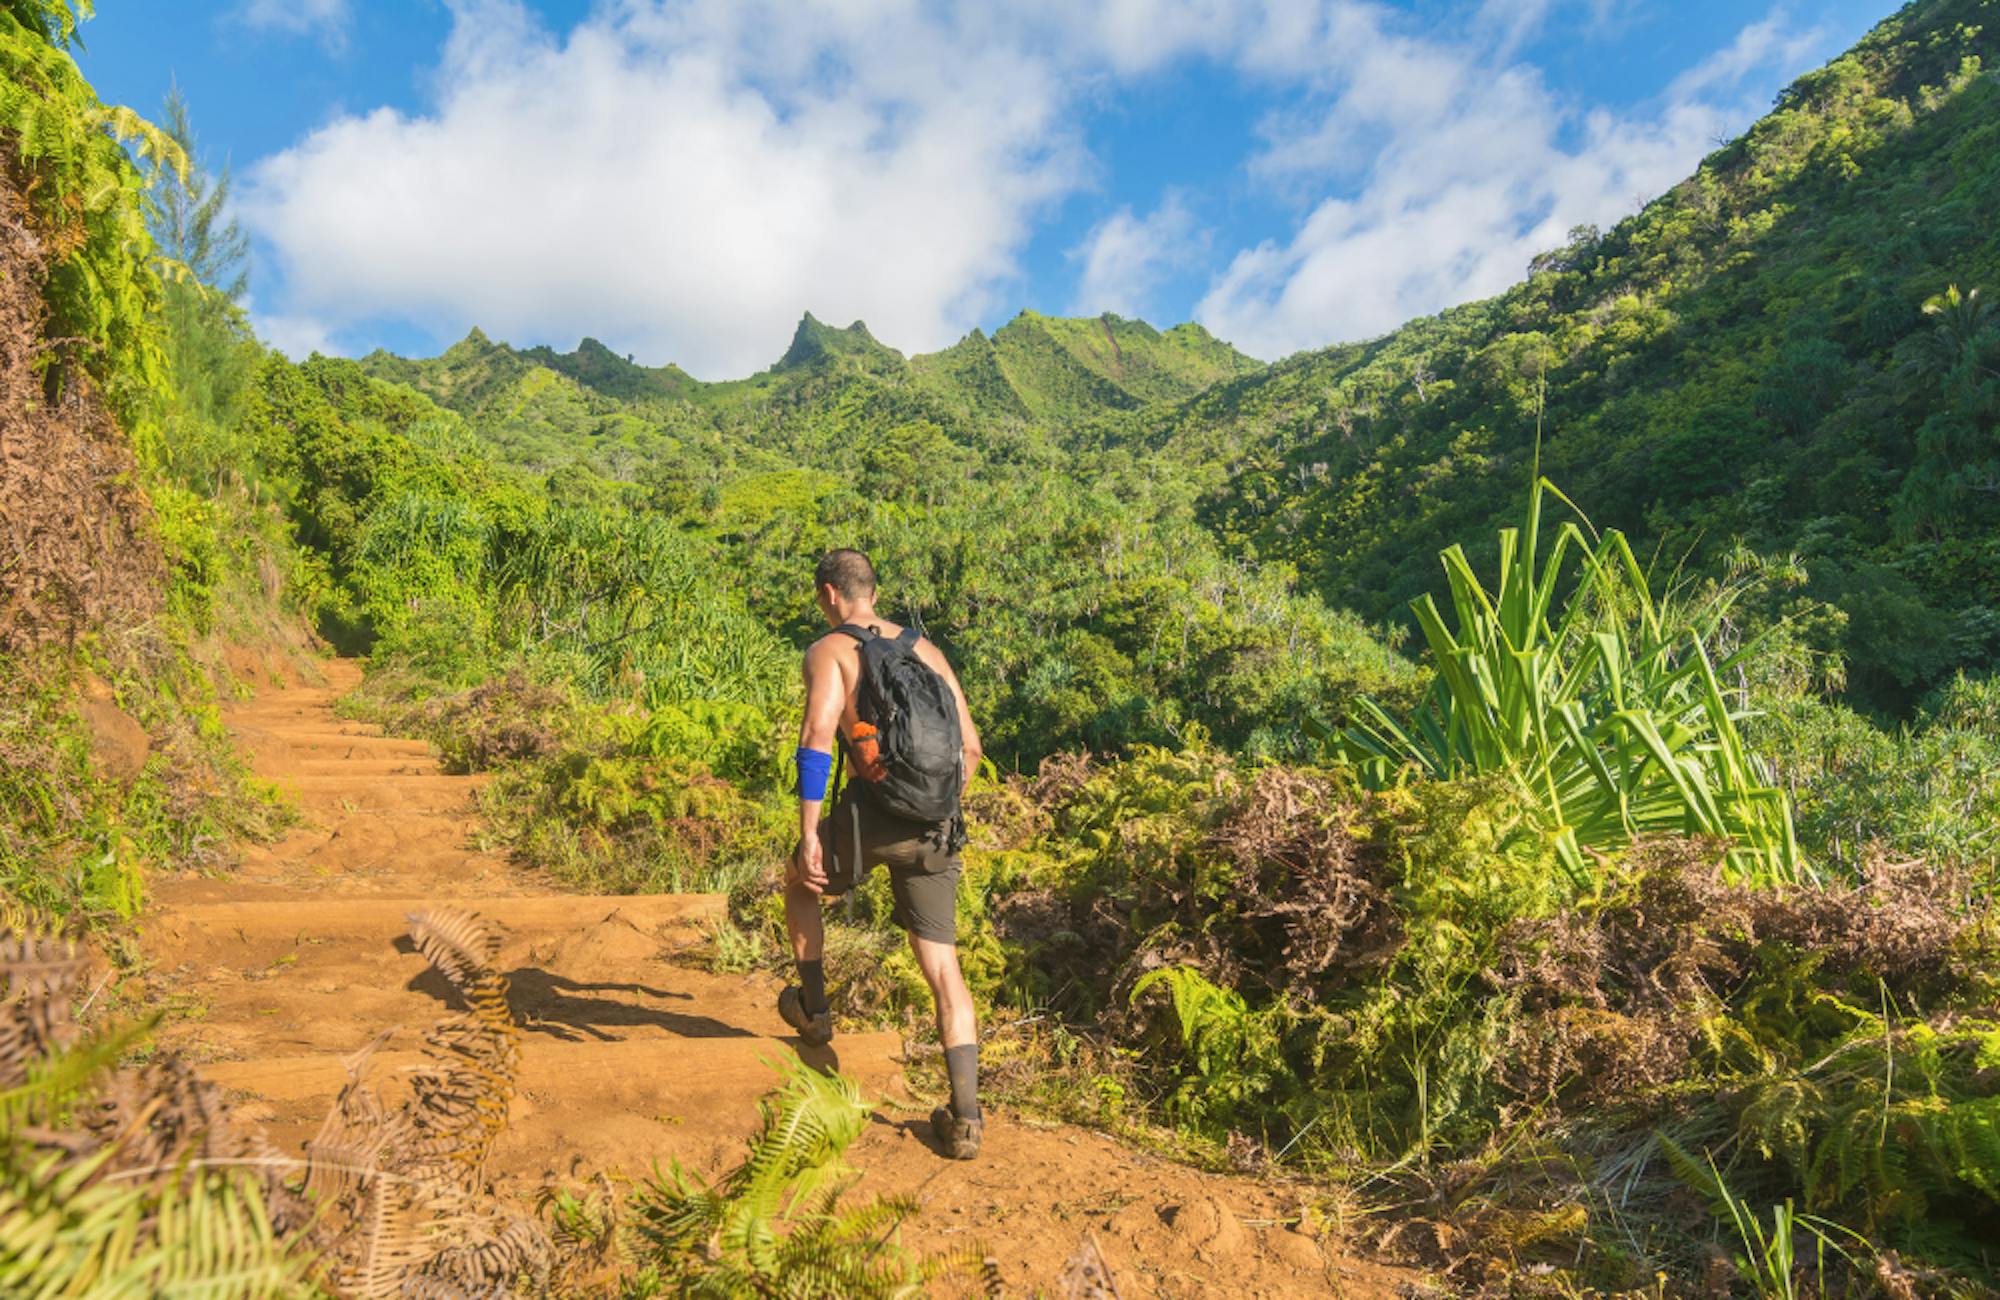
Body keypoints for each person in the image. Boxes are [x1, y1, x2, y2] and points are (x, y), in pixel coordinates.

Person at [779, 548, 986, 1160]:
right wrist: (935, 809)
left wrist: (812, 833)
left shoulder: (829, 650)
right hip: (936, 825)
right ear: (872, 590)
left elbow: (818, 740)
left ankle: (815, 1013)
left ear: (828, 595)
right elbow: (970, 749)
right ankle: (967, 1119)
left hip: (868, 820)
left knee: (799, 882)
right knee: (944, 967)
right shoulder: (928, 651)